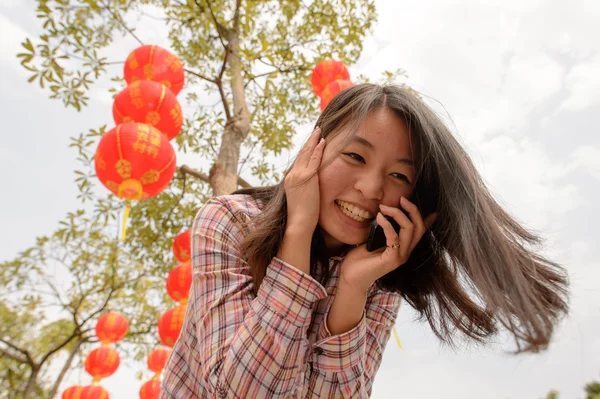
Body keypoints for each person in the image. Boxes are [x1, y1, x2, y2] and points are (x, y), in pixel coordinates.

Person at [160, 84, 569, 398]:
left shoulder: (380, 274)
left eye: (399, 176)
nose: (371, 188)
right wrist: (298, 233)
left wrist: (353, 290)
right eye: (355, 157)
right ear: (313, 150)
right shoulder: (229, 221)